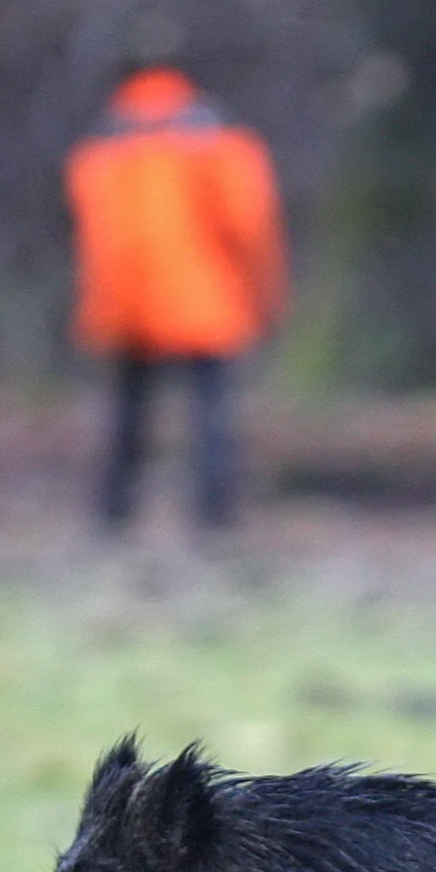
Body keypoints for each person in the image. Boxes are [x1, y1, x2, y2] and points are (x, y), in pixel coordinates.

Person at [65, 61, 288, 532]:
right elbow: (250, 227)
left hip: (125, 306)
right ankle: (215, 517)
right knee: (211, 416)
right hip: (203, 301)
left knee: (128, 414)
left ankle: (113, 514)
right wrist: (264, 294)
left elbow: (95, 237)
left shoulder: (103, 152)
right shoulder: (218, 149)